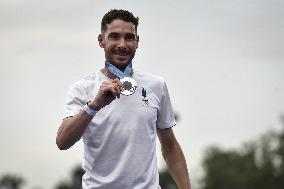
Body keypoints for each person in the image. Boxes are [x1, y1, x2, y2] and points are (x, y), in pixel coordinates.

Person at [56, 9, 191, 189]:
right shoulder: (83, 88)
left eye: (129, 37)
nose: (122, 44)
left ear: (137, 42)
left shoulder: (156, 85)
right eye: (114, 36)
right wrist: (94, 106)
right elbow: (62, 142)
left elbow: (170, 146)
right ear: (101, 40)